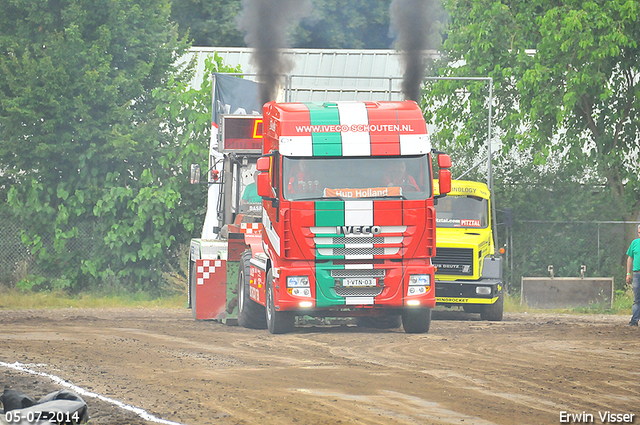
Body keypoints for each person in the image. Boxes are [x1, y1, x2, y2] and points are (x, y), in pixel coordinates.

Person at [626, 224, 640, 326]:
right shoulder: (635, 243)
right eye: (639, 233)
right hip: (637, 274)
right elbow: (630, 258)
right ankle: (634, 320)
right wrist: (628, 273)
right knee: (637, 299)